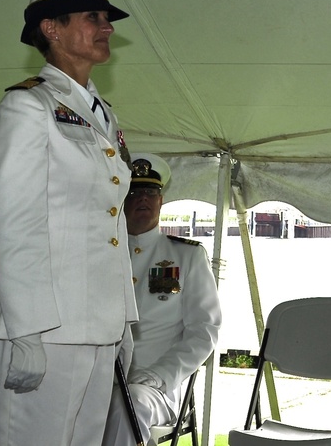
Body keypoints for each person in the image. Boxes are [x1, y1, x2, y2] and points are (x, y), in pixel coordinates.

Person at [0, 0, 139, 445]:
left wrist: (123, 321)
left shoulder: (100, 112)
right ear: (52, 29)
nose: (106, 26)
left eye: (106, 17)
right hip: (43, 330)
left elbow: (108, 227)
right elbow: (13, 225)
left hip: (95, 328)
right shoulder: (27, 108)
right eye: (93, 17)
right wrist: (26, 332)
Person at [102, 153, 222, 446]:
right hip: (96, 378)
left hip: (154, 388)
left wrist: (160, 374)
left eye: (150, 192)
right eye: (134, 191)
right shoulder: (100, 254)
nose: (143, 198)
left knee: (127, 405)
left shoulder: (187, 256)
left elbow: (204, 331)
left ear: (161, 200)